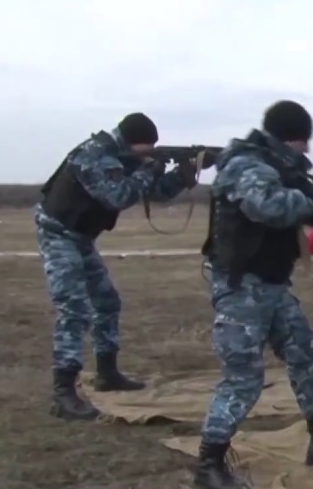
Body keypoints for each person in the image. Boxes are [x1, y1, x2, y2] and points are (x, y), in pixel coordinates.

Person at [194, 100, 313, 489]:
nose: (307, 151)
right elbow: (272, 207)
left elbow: (312, 207)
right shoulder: (247, 165)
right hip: (242, 287)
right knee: (244, 377)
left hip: (273, 286)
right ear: (290, 138)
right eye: (303, 141)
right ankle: (209, 462)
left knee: (308, 357)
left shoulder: (282, 168)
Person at [35, 113, 195, 420]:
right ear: (131, 142)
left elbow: (155, 192)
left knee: (107, 302)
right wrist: (150, 168)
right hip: (58, 232)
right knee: (74, 308)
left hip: (80, 237)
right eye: (146, 149)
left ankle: (107, 373)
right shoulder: (93, 155)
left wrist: (183, 175)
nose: (148, 154)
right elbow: (118, 196)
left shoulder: (123, 157)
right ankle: (63, 393)